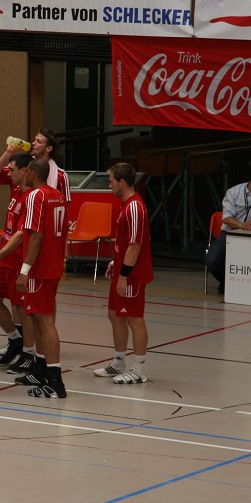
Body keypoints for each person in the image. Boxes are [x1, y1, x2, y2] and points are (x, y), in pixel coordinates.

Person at [95, 163, 154, 384]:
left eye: (111, 181)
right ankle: (119, 362)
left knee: (134, 319)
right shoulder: (124, 205)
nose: (109, 185)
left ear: (122, 182)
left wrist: (124, 275)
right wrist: (115, 261)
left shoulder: (135, 207)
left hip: (133, 275)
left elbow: (136, 245)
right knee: (114, 314)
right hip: (123, 268)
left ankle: (138, 370)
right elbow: (126, 242)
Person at [14, 159, 68, 398]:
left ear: (33, 173)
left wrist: (25, 270)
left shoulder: (37, 196)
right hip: (52, 265)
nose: (23, 173)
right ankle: (44, 371)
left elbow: (36, 235)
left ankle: (55, 382)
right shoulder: (57, 195)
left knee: (45, 323)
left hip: (40, 268)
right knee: (37, 319)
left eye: (25, 170)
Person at [0, 153, 38, 370]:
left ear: (24, 171)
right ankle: (14, 339)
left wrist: (0, 255)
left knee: (22, 308)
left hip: (17, 260)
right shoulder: (16, 189)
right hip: (4, 258)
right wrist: (7, 153)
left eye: (13, 168)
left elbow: (21, 235)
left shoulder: (32, 198)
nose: (9, 172)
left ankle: (28, 354)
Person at [205, 166, 251, 294]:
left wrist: (247, 225)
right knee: (211, 261)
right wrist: (241, 225)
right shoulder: (233, 192)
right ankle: (226, 280)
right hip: (230, 232)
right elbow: (226, 218)